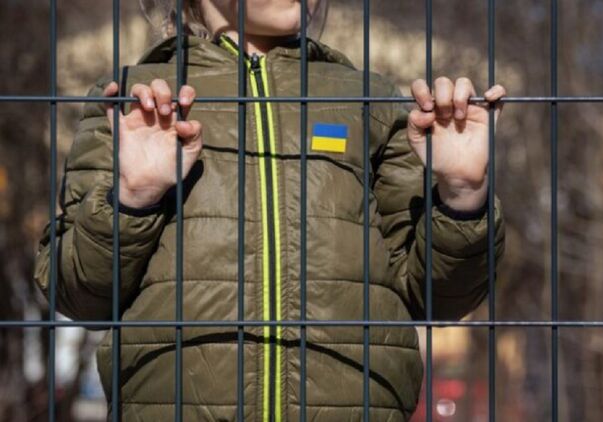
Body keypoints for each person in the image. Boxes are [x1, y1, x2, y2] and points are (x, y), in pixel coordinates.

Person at [33, 0, 507, 420]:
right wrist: (134, 199)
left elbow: (440, 298)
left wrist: (463, 197)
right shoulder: (135, 101)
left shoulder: (370, 103)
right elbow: (79, 294)